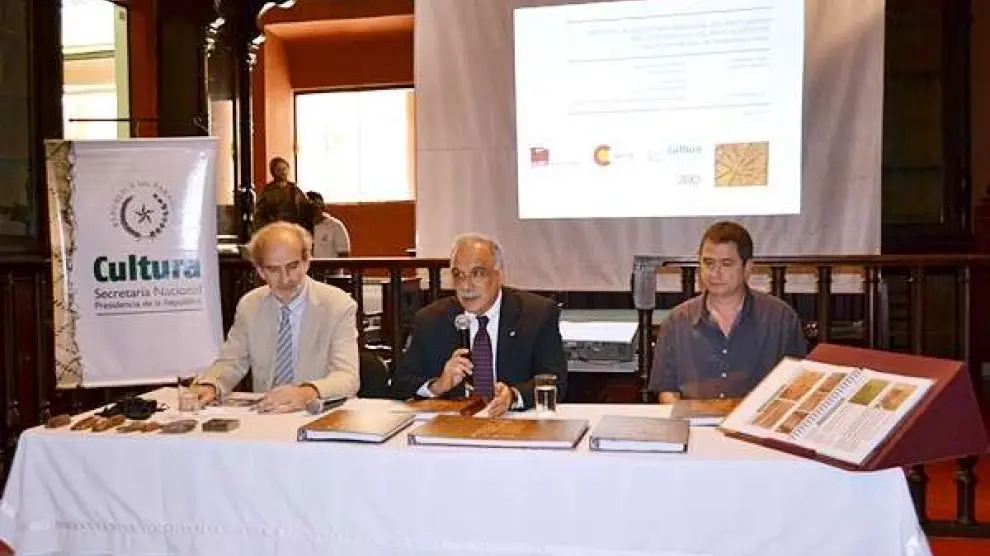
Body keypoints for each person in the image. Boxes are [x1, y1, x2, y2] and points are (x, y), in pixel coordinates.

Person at [391, 233, 567, 417]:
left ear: (498, 275)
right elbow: (400, 385)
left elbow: (555, 380)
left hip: (516, 424)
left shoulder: (536, 315)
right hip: (454, 427)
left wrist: (513, 396)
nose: (466, 286)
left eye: (477, 274)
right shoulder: (430, 320)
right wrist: (438, 385)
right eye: (458, 275)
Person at [193, 222, 359, 412]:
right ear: (260, 271)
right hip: (268, 412)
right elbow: (232, 361)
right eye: (273, 270)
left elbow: (348, 377)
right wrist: (210, 385)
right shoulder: (250, 305)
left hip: (316, 412)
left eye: (293, 266)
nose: (285, 279)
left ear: (306, 262)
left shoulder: (338, 305)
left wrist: (306, 392)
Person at [649, 221, 807, 402]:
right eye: (708, 263)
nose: (715, 273)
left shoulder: (781, 319)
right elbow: (667, 390)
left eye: (726, 264)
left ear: (747, 268)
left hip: (756, 420)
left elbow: (797, 388)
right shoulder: (676, 321)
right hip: (692, 419)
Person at [253, 157, 314, 232]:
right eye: (279, 170)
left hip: (294, 228)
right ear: (273, 172)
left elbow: (306, 208)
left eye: (284, 169)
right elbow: (259, 217)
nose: (283, 172)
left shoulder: (295, 189)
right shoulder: (266, 191)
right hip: (276, 229)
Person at [306, 191, 351, 258]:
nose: (312, 212)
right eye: (308, 209)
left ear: (323, 207)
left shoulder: (336, 226)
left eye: (315, 208)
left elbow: (344, 255)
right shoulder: (300, 227)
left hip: (329, 265)